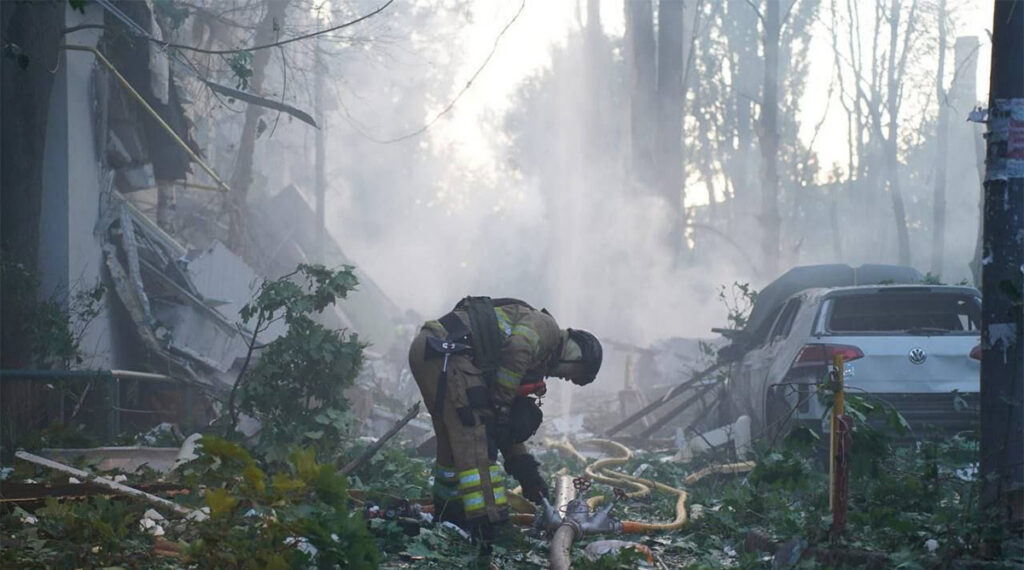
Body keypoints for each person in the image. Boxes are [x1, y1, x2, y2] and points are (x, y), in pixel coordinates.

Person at [407, 296, 602, 544]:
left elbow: (504, 429)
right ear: (576, 354)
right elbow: (518, 347)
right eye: (572, 375)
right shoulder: (548, 329)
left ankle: (450, 515)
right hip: (448, 353)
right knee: (476, 439)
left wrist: (528, 474)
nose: (563, 379)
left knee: (452, 439)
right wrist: (501, 404)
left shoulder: (530, 360)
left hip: (431, 350)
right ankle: (490, 524)